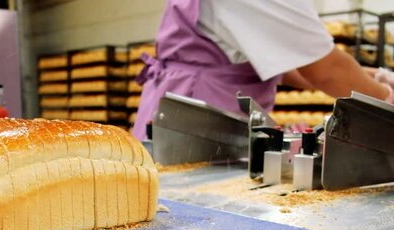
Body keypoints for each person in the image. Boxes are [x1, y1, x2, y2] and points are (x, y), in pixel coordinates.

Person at [133, 0, 394, 140]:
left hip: (182, 103)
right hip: (196, 118)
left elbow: (296, 67)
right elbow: (326, 70)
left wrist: (372, 77)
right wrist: (386, 98)